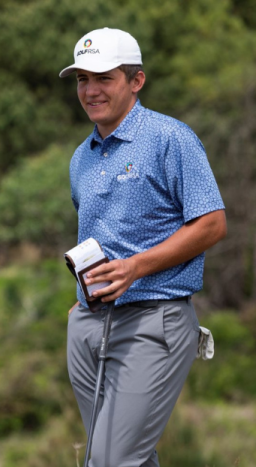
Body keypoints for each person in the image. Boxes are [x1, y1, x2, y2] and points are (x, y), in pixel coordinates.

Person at [59, 28, 226, 466]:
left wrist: (135, 267)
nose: (90, 91)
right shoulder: (81, 156)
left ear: (136, 81)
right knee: (118, 457)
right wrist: (80, 305)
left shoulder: (171, 138)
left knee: (111, 459)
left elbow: (212, 223)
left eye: (104, 78)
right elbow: (99, 233)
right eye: (82, 80)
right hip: (89, 324)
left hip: (154, 320)